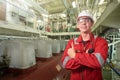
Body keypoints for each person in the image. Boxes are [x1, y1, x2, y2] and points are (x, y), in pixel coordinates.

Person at [61, 10, 108, 80]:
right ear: (77, 25)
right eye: (80, 20)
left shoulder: (100, 42)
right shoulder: (72, 43)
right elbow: (65, 63)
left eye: (87, 20)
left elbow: (99, 61)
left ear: (92, 23)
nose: (83, 23)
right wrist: (88, 58)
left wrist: (75, 56)